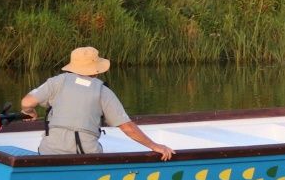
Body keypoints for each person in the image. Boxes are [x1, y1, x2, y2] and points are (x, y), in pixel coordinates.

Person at [20, 46, 174, 160]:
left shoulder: (56, 82)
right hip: (85, 155)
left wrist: (29, 111)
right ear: (96, 69)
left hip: (49, 152)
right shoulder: (103, 91)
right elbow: (127, 127)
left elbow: (26, 102)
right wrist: (154, 146)